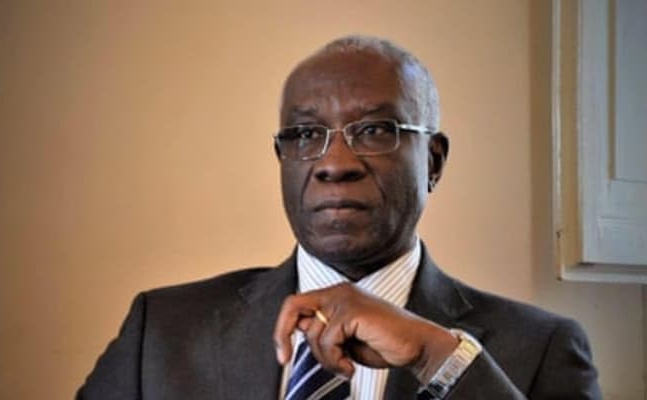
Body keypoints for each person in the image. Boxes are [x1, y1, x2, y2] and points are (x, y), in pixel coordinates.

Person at [77, 35, 601, 399]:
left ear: (433, 162)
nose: (334, 164)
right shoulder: (163, 330)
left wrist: (436, 355)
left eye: (374, 131)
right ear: (282, 158)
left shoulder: (541, 348)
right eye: (306, 135)